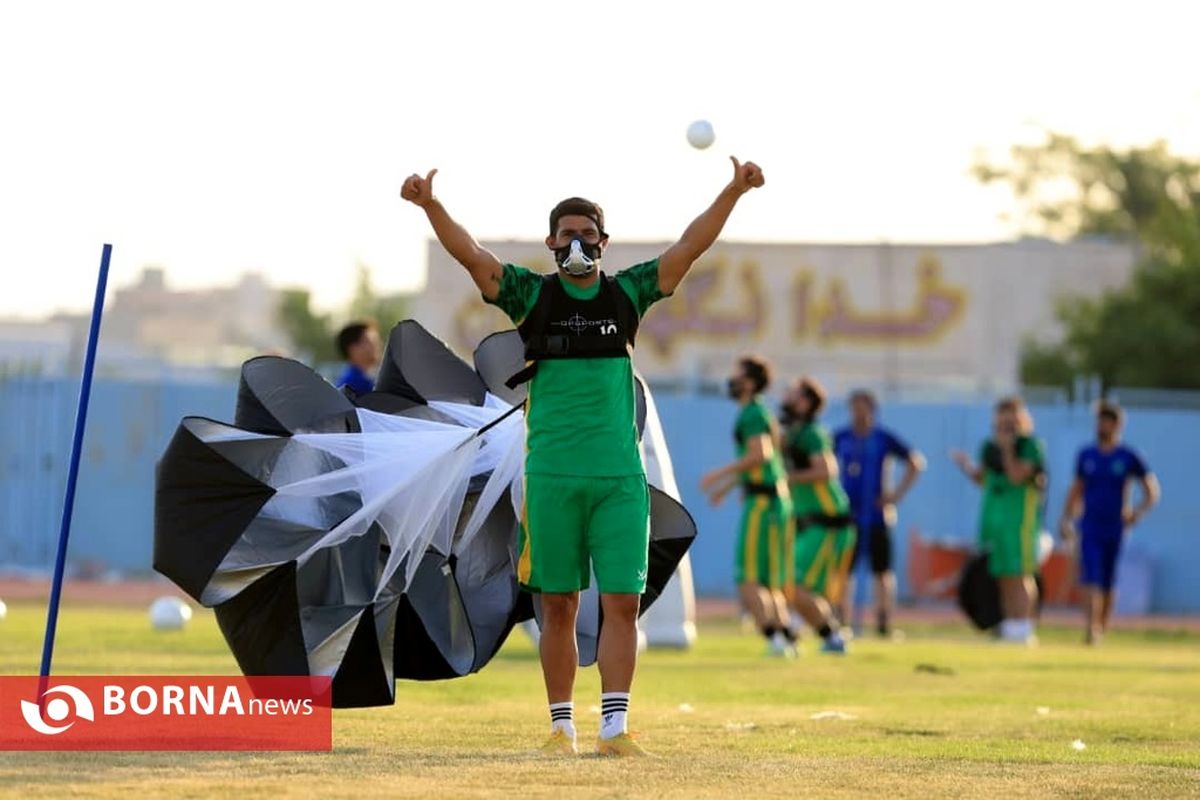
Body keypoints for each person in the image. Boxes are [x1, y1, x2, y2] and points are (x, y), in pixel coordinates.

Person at [400, 156, 765, 757]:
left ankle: (615, 728)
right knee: (559, 605)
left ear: (603, 243)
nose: (577, 244)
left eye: (587, 235)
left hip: (620, 479)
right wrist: (431, 206)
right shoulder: (530, 297)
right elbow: (474, 259)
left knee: (623, 602)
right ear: (551, 242)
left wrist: (733, 189)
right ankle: (560, 728)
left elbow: (689, 247)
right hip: (550, 478)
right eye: (567, 234)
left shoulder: (628, 295)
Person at [699, 355, 795, 659]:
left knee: (748, 578)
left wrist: (718, 474)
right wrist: (726, 488)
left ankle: (775, 638)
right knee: (769, 580)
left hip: (762, 504)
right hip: (773, 500)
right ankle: (785, 637)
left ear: (750, 382)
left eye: (737, 375)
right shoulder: (761, 412)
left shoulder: (751, 414)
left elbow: (760, 455)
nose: (732, 380)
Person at [1059, 401, 1160, 645]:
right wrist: (1066, 518)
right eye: (1099, 421)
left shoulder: (1128, 456)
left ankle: (1101, 627)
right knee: (1090, 575)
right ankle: (1090, 628)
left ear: (1117, 425)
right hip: (1089, 524)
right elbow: (1077, 489)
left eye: (1106, 421)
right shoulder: (1087, 455)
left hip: (1115, 526)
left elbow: (1151, 490)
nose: (1101, 426)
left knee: (1107, 579)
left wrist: (1137, 513)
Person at [951, 397, 1046, 645]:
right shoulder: (988, 447)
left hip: (1019, 521)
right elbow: (983, 479)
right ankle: (1010, 625)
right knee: (1003, 576)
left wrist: (1007, 448)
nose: (1005, 427)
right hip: (995, 520)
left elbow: (1016, 476)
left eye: (1011, 420)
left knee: (1020, 574)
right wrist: (966, 465)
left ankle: (1025, 627)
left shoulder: (1030, 446)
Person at [833, 390, 925, 638]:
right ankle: (840, 622)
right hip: (849, 515)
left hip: (877, 516)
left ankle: (883, 622)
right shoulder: (842, 437)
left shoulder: (882, 438)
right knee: (844, 571)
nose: (858, 413)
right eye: (854, 408)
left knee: (882, 572)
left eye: (863, 408)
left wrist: (894, 496)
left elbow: (915, 462)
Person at [782, 376, 853, 654]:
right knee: (790, 583)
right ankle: (819, 634)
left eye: (794, 394)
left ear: (807, 403)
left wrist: (788, 477)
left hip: (827, 521)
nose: (787, 398)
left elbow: (827, 470)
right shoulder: (795, 431)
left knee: (796, 584)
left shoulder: (812, 433)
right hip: (811, 522)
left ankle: (832, 636)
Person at [334, 321, 382, 396]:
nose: (377, 346)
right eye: (371, 341)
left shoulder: (364, 380)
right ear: (353, 349)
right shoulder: (352, 386)